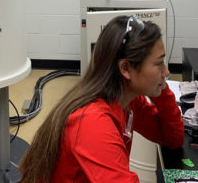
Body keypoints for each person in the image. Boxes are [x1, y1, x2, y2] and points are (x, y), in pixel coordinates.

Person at [20, 15, 184, 182]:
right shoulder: (92, 122)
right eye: (159, 64)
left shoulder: (128, 100)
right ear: (126, 69)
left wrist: (161, 88)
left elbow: (173, 138)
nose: (167, 72)